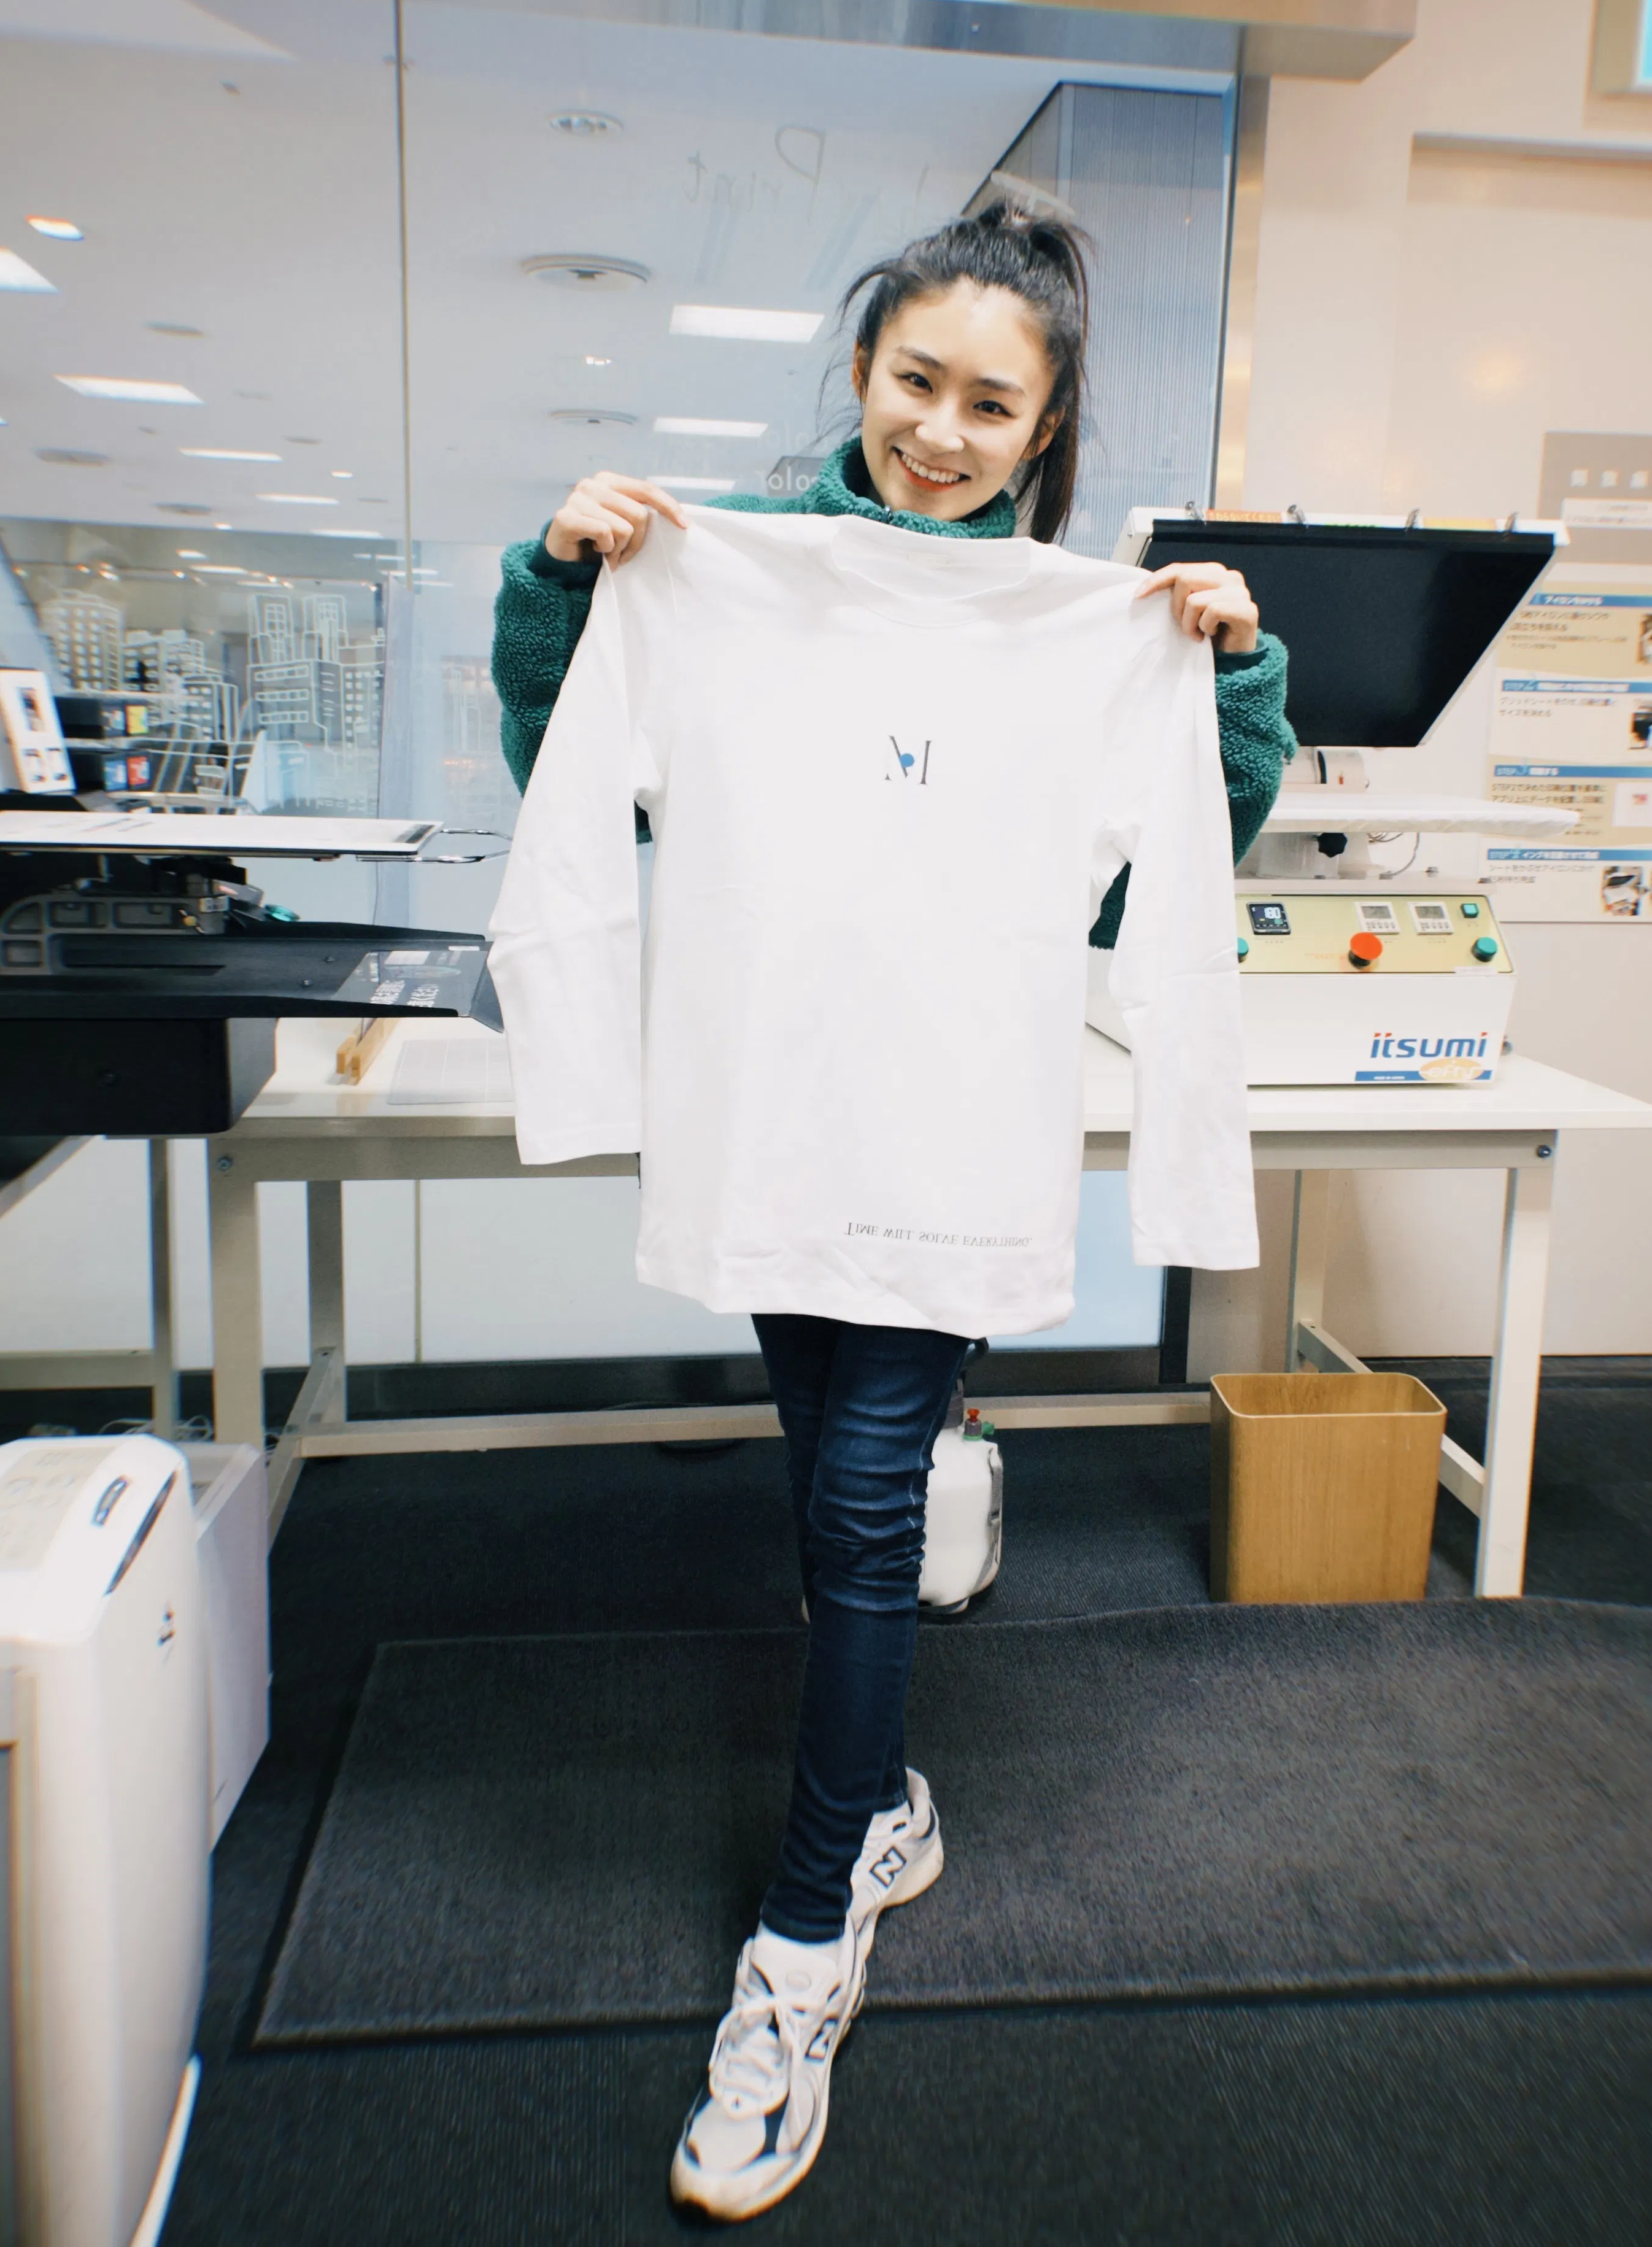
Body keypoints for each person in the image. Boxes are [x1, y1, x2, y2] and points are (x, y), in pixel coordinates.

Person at [490, 204, 1295, 2220]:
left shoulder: (1084, 625)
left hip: (949, 1129)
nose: (942, 430)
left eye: (989, 405)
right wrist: (561, 578)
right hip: (776, 1118)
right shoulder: (731, 568)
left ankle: (799, 1951)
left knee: (864, 1506)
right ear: (863, 377)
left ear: (1044, 431)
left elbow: (1173, 867)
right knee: (822, 1470)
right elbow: (563, 759)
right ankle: (883, 1804)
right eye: (916, 383)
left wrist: (1232, 675)